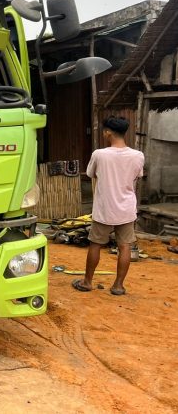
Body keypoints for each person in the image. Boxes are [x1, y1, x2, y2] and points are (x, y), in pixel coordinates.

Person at [72, 116, 144, 296]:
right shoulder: (138, 155)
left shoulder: (99, 154)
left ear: (108, 133)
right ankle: (118, 286)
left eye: (104, 131)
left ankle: (87, 282)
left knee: (95, 244)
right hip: (126, 209)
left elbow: (90, 174)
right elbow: (137, 176)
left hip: (105, 209)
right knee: (125, 246)